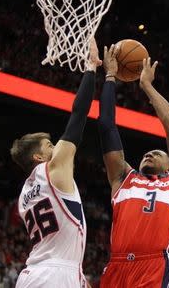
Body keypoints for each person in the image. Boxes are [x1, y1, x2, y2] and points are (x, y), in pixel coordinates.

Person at [98, 48, 169, 287]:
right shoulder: (123, 177)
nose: (149, 154)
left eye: (157, 153)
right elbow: (107, 128)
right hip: (116, 266)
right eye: (146, 154)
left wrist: (147, 87)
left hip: (152, 266)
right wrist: (110, 77)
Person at [10, 39, 101, 288]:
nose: (55, 147)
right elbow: (78, 116)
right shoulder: (53, 169)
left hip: (33, 274)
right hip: (56, 275)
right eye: (49, 145)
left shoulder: (25, 194)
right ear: (38, 158)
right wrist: (91, 68)